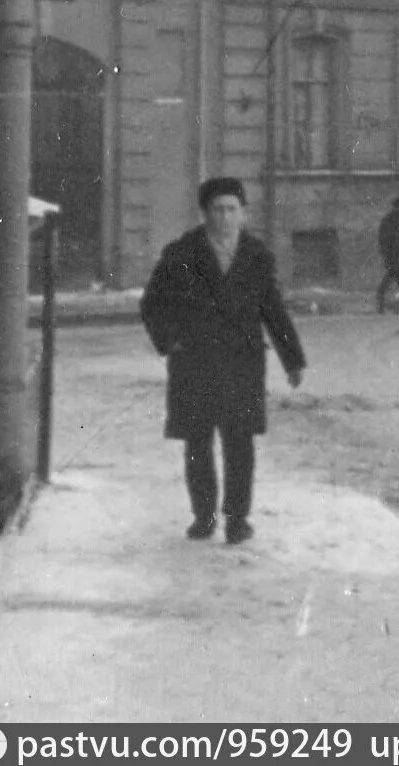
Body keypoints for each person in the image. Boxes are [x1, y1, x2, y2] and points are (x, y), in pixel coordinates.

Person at [139, 177, 307, 546]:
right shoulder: (182, 253)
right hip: (195, 364)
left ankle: (237, 519)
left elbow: (273, 311)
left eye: (233, 209)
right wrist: (172, 341)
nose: (226, 217)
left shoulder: (257, 256)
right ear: (205, 213)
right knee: (198, 444)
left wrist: (292, 360)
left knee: (240, 445)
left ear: (243, 214)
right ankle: (204, 515)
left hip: (241, 365)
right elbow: (152, 303)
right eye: (218, 209)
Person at [375, 195, 399, 312]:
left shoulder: (387, 219)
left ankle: (383, 300)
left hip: (390, 254)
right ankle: (382, 298)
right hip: (398, 254)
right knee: (394, 277)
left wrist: (384, 252)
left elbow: (382, 238)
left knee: (398, 277)